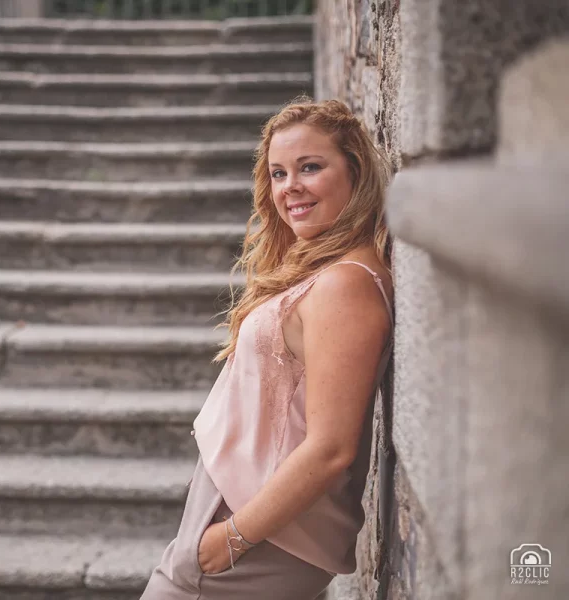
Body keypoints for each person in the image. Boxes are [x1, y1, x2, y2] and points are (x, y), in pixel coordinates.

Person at [140, 97, 394, 600]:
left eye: (310, 167)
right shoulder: (330, 268)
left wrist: (230, 539)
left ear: (356, 171)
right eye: (278, 173)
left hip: (259, 532)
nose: (290, 187)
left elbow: (331, 448)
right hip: (242, 515)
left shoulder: (346, 286)